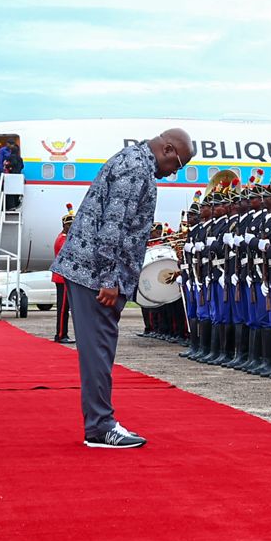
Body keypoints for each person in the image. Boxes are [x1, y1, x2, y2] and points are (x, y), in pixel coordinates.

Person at [50, 129, 195, 448]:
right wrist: (109, 279)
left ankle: (99, 422)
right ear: (167, 149)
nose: (174, 173)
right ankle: (100, 426)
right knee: (98, 351)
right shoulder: (137, 167)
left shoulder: (132, 161)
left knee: (100, 349)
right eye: (178, 165)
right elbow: (113, 226)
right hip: (94, 276)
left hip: (92, 272)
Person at [52, 204, 75, 342]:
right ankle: (61, 334)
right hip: (63, 277)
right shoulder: (63, 239)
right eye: (71, 225)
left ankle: (62, 333)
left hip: (65, 277)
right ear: (65, 226)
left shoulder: (66, 237)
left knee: (65, 308)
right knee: (63, 309)